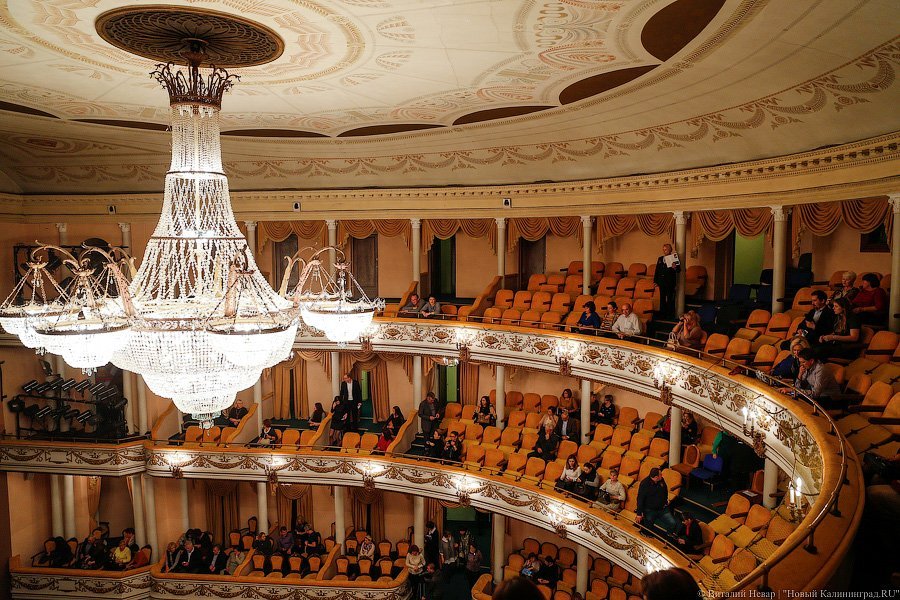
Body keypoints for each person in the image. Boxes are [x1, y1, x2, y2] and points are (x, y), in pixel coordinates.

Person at [635, 467, 677, 534]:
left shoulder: (661, 480)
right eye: (660, 474)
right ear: (656, 477)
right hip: (650, 510)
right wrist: (639, 514)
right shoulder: (644, 484)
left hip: (662, 508)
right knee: (648, 527)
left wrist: (665, 501)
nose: (662, 476)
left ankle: (669, 535)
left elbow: (665, 490)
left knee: (673, 523)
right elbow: (640, 499)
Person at [654, 243, 681, 318]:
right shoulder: (660, 258)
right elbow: (657, 270)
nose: (664, 251)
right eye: (663, 249)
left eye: (666, 249)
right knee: (662, 298)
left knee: (670, 298)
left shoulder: (674, 258)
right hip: (661, 281)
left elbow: (678, 270)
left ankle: (669, 314)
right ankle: (662, 313)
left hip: (670, 282)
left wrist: (675, 267)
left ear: (670, 250)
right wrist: (655, 281)